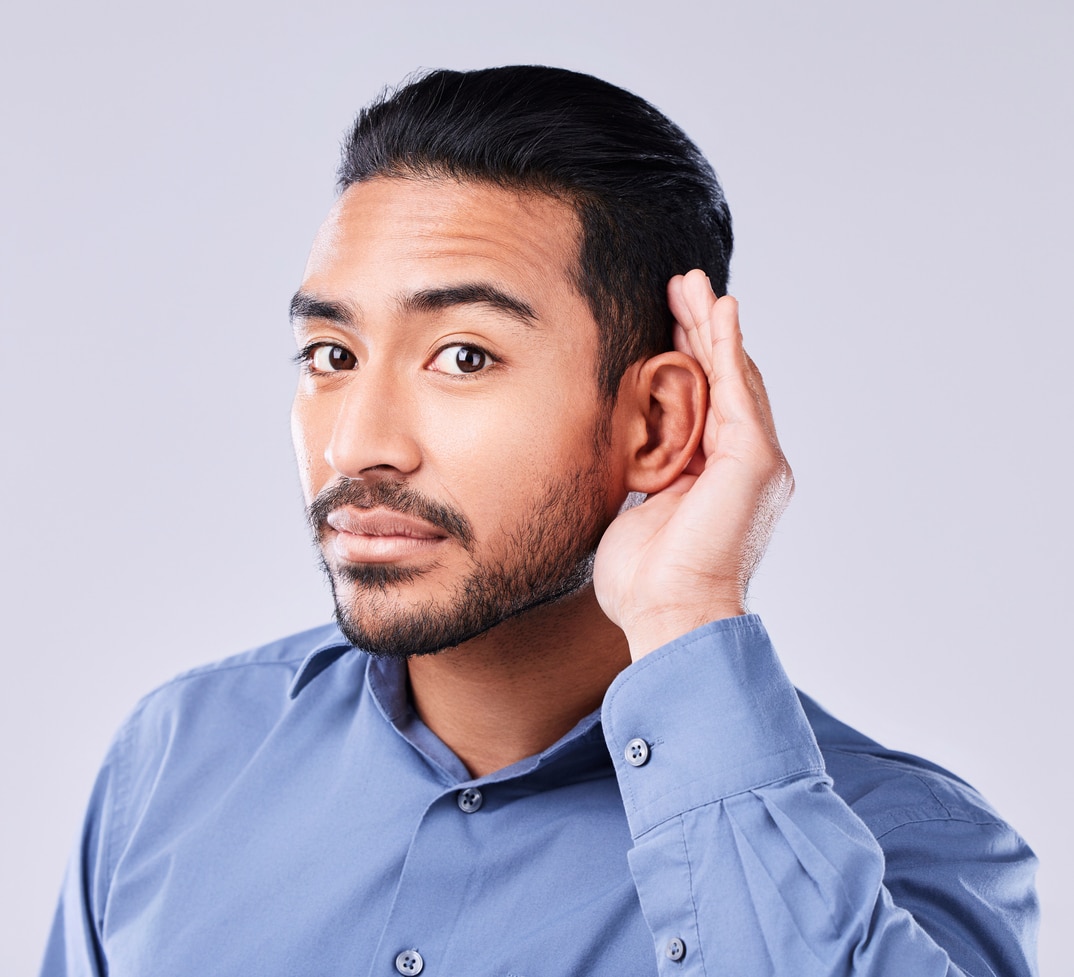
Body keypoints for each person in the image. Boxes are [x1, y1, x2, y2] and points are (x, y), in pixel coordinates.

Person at [41, 66, 1039, 977]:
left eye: (463, 355)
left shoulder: (902, 845)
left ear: (655, 421)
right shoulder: (178, 755)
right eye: (332, 355)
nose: (355, 446)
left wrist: (689, 611)